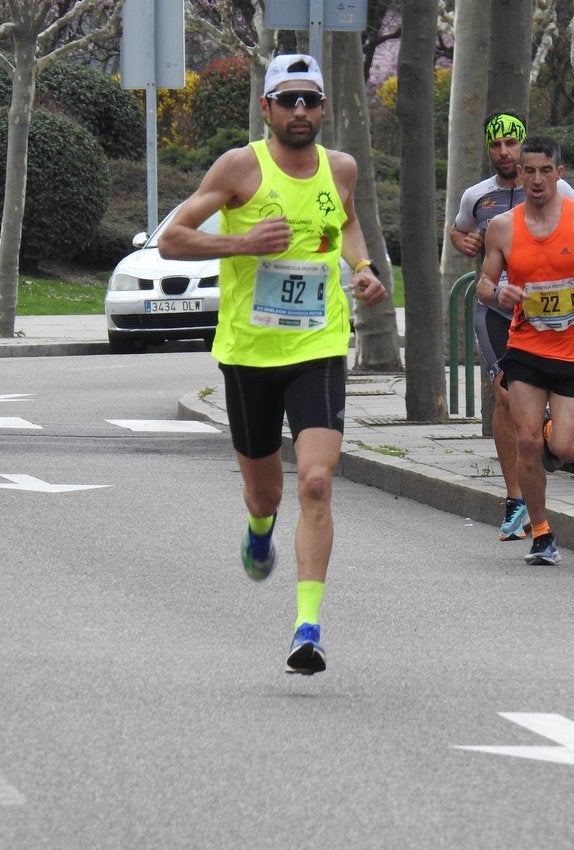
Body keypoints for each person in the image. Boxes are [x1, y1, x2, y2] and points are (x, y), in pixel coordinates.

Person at [158, 54, 387, 675]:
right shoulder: (239, 168)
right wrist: (241, 242)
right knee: (266, 490)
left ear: (323, 107)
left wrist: (362, 271)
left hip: (317, 347)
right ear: (266, 109)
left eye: (310, 100)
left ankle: (306, 628)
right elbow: (171, 239)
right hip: (249, 354)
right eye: (288, 101)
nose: (301, 112)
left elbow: (349, 225)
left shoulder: (341, 168)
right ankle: (260, 527)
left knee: (316, 481)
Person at [475, 136, 574, 565]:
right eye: (530, 171)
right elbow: (484, 284)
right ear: (520, 174)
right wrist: (499, 292)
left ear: (559, 173)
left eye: (546, 170)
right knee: (525, 440)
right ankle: (541, 532)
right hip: (526, 347)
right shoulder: (503, 227)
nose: (538, 179)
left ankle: (550, 433)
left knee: (566, 450)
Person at [450, 111, 574, 542]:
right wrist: (464, 242)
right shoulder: (477, 196)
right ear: (489, 148)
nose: (504, 152)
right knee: (504, 392)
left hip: (545, 311)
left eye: (511, 144)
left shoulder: (556, 190)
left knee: (537, 405)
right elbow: (459, 231)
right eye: (496, 144)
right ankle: (514, 498)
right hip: (496, 310)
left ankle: (544, 433)